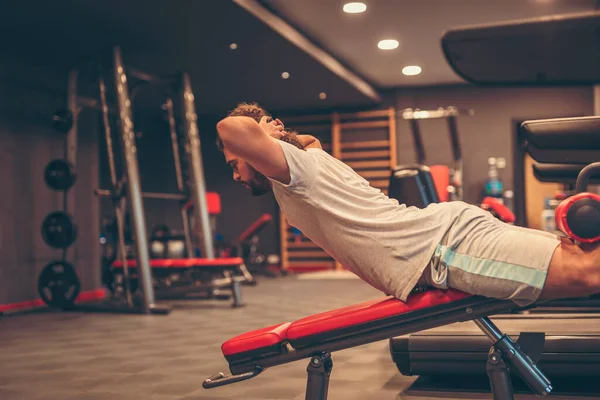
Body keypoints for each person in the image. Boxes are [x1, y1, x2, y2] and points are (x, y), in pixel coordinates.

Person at [216, 102, 598, 306]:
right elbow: (309, 139)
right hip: (446, 235)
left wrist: (265, 132)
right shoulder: (308, 159)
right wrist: (274, 131)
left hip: (443, 249)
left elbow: (229, 129)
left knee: (588, 274)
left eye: (235, 164)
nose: (235, 176)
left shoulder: (291, 167)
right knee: (584, 258)